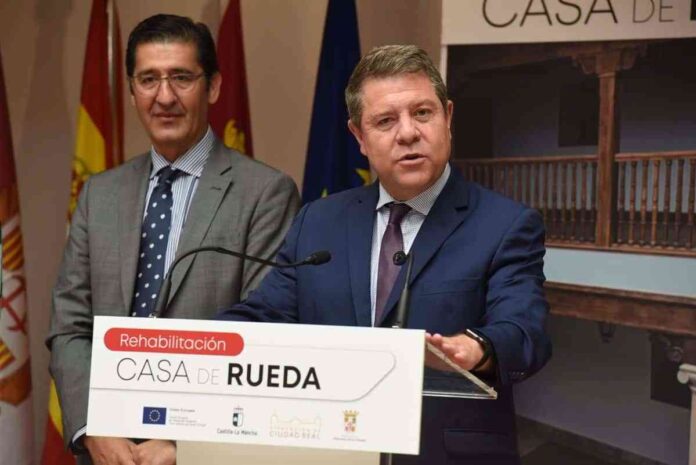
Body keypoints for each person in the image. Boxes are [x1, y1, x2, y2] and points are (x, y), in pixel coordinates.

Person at [217, 44, 551, 464]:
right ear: (359, 136)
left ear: (448, 117)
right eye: (386, 121)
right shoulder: (318, 221)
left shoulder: (506, 224)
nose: (407, 133)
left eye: (422, 113)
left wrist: (473, 348)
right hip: (333, 452)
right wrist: (193, 346)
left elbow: (525, 332)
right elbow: (264, 317)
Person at [46, 14, 300, 465]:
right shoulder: (99, 194)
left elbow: (262, 337)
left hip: (204, 450)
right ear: (131, 91)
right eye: (148, 80)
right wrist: (91, 428)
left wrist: (187, 441)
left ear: (213, 87)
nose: (164, 97)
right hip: (106, 448)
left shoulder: (266, 193)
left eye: (181, 77)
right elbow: (71, 326)